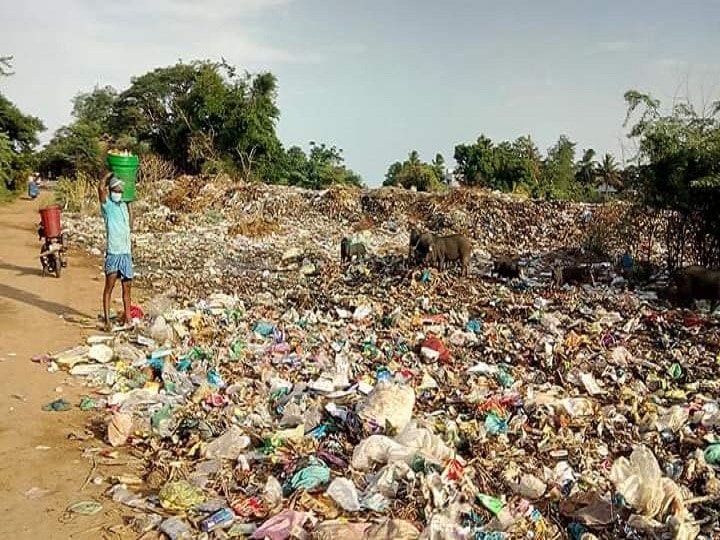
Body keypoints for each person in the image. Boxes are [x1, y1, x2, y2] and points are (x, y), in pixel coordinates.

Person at [98, 172, 133, 331]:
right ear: (111, 190)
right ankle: (107, 321)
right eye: (116, 190)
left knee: (127, 289)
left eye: (120, 191)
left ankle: (129, 319)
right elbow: (100, 188)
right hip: (114, 252)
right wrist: (108, 175)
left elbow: (130, 224)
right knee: (109, 287)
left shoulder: (124, 206)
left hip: (125, 253)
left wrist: (130, 203)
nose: (119, 193)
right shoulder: (108, 206)